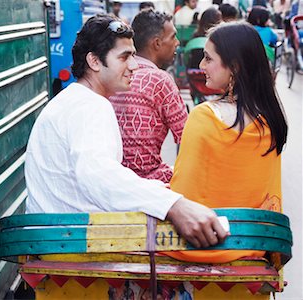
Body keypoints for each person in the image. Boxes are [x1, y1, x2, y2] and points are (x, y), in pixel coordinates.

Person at [25, 14, 228, 249]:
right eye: (124, 57)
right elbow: (99, 176)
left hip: (60, 238)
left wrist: (157, 191)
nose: (133, 65)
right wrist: (174, 205)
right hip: (68, 246)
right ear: (94, 61)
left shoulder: (78, 99)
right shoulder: (90, 106)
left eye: (133, 55)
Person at [164, 22, 287, 265]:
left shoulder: (204, 116)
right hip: (254, 248)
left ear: (234, 67)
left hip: (200, 248)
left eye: (208, 59)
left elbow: (183, 194)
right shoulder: (271, 120)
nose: (201, 66)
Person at [109, 10, 187, 183]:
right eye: (173, 37)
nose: (177, 43)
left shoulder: (115, 73)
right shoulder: (160, 80)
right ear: (157, 43)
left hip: (113, 180)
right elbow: (188, 138)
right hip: (149, 182)